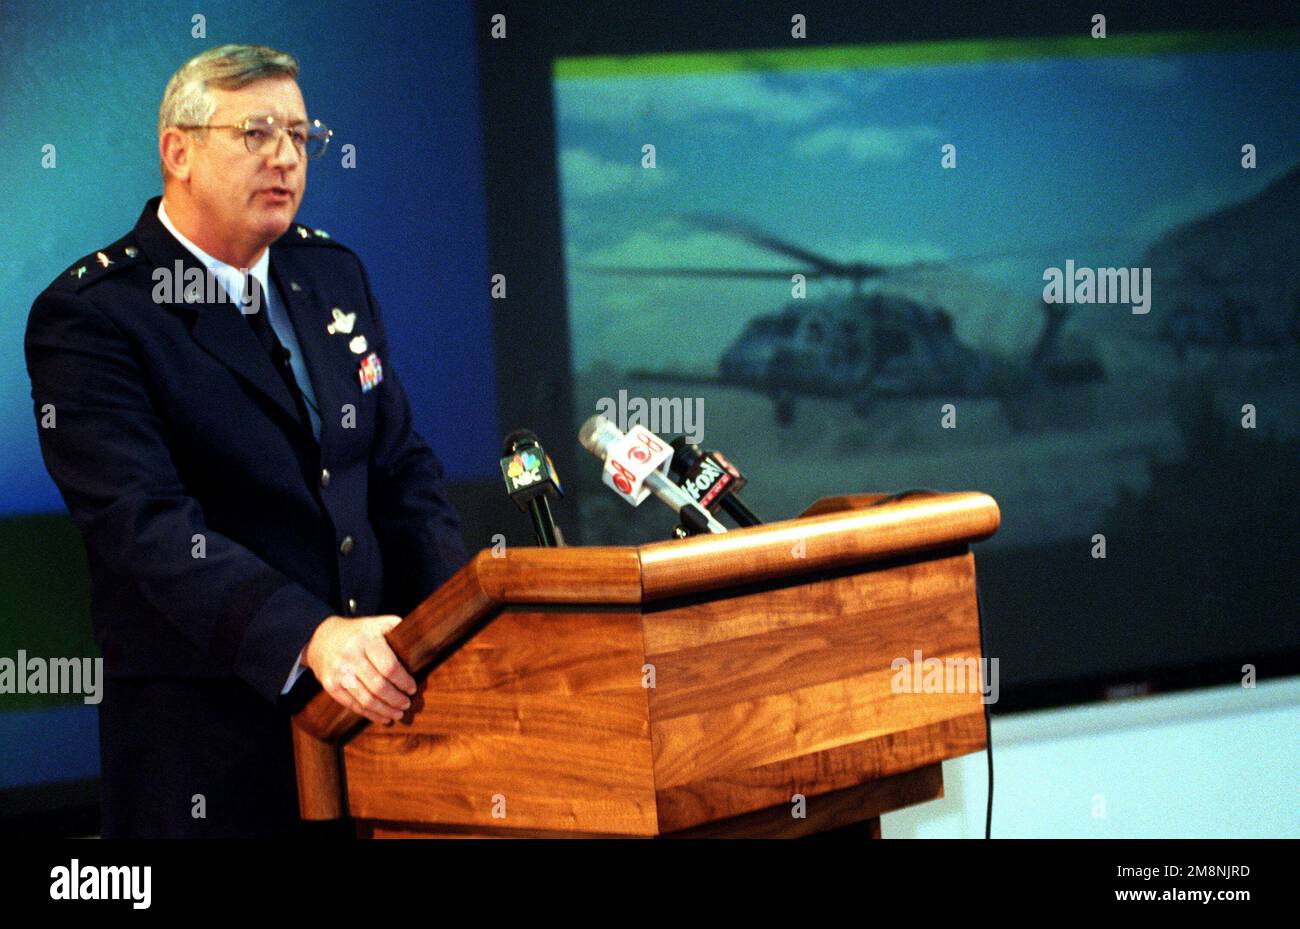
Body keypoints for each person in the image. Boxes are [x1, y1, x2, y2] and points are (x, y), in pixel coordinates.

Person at [24, 44, 467, 837]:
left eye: (301, 136)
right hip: (208, 756)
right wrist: (311, 635)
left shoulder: (330, 273)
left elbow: (400, 470)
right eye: (256, 133)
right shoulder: (96, 315)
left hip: (382, 731)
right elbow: (147, 526)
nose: (286, 158)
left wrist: (464, 634)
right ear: (178, 151)